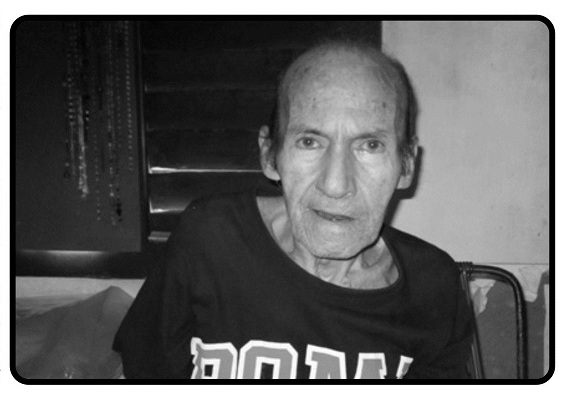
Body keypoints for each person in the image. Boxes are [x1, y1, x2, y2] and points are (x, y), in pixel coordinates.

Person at [113, 39, 474, 380]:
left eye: (370, 145)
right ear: (270, 156)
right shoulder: (210, 240)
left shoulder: (433, 288)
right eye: (309, 141)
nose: (336, 185)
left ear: (406, 165)